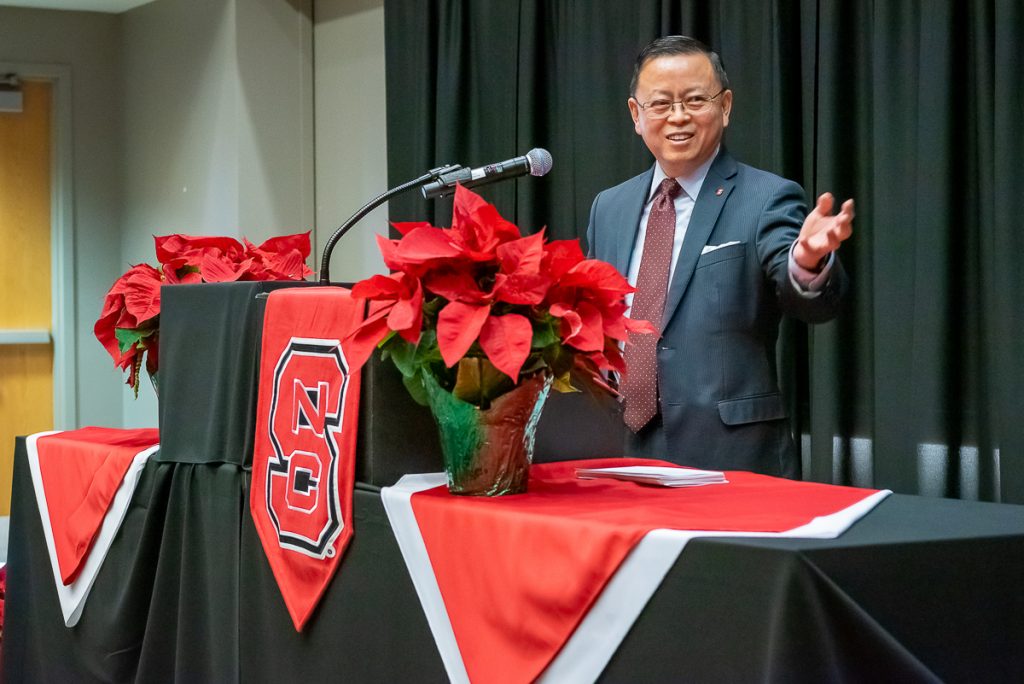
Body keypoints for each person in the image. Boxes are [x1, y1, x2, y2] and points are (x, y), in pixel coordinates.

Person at [587, 35, 854, 477]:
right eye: (661, 104)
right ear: (636, 115)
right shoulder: (608, 207)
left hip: (731, 460)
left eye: (695, 100)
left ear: (725, 106)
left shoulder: (766, 197)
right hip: (618, 455)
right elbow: (598, 318)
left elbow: (809, 294)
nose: (678, 117)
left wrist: (806, 260)